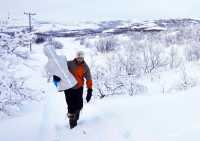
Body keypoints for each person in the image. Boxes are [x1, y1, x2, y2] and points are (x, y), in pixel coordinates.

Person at [64, 51, 93, 129]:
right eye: (78, 57)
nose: (79, 59)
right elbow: (60, 68)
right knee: (71, 106)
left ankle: (76, 116)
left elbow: (89, 78)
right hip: (68, 88)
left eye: (81, 57)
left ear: (83, 58)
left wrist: (90, 90)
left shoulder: (85, 67)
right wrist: (56, 76)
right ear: (76, 57)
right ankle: (72, 124)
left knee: (79, 105)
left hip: (79, 88)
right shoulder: (69, 63)